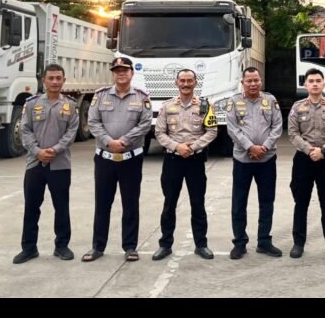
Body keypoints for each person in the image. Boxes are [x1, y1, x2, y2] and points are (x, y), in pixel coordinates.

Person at [82, 56, 152, 263]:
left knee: (130, 204)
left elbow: (145, 124)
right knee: (102, 204)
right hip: (105, 159)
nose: (121, 74)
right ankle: (98, 246)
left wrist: (124, 141)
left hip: (131, 159)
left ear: (132, 73)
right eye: (117, 71)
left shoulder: (142, 97)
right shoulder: (100, 96)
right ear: (113, 74)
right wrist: (108, 141)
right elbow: (93, 122)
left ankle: (130, 247)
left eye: (125, 70)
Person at [13, 64, 79, 264]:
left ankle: (62, 246)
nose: (55, 82)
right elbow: (25, 130)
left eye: (58, 78)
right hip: (35, 164)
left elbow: (71, 133)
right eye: (51, 78)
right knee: (31, 207)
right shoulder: (32, 104)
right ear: (44, 80)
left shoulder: (70, 105)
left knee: (62, 207)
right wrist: (37, 152)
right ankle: (29, 248)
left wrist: (55, 150)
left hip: (60, 165)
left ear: (64, 81)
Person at [151, 69, 218, 261]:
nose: (186, 84)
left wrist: (193, 147)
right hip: (173, 161)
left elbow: (212, 131)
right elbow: (159, 133)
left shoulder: (205, 106)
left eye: (189, 80)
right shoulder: (167, 106)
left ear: (195, 83)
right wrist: (177, 147)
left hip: (195, 161)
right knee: (169, 204)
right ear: (176, 83)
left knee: (198, 203)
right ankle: (165, 245)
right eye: (182, 80)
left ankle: (201, 244)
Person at [287, 68, 325, 259]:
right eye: (311, 81)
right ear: (305, 85)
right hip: (303, 160)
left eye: (318, 81)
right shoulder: (297, 107)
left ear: (323, 84)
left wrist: (323, 150)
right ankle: (298, 243)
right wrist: (309, 150)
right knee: (301, 203)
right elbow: (293, 133)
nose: (314, 84)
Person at [226, 66, 283, 259]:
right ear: (242, 83)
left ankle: (264, 241)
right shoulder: (234, 102)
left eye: (256, 80)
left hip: (267, 159)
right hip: (242, 160)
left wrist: (264, 147)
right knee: (239, 203)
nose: (253, 84)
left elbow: (277, 126)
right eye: (249, 81)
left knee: (266, 201)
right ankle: (239, 243)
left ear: (261, 81)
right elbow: (232, 129)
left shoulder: (270, 100)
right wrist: (250, 147)